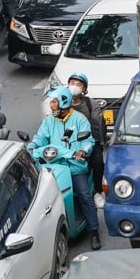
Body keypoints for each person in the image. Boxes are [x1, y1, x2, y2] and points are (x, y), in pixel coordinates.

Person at [32, 86, 101, 248]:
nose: (52, 105)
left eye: (55, 101)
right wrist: (33, 145)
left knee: (84, 195)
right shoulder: (49, 121)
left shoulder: (79, 119)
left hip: (75, 166)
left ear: (64, 101)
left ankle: (94, 231)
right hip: (53, 165)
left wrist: (83, 151)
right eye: (51, 102)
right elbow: (40, 137)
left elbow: (88, 141)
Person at [67, 72, 108, 207]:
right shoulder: (62, 102)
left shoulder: (91, 104)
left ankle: (98, 191)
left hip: (88, 141)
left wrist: (99, 144)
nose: (74, 87)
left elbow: (97, 125)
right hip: (66, 142)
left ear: (84, 89)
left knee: (97, 162)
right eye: (72, 83)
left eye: (78, 84)